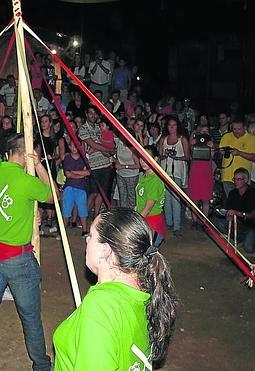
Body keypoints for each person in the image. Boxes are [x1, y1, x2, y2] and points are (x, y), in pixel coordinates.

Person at [0, 133, 53, 371]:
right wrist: (39, 165)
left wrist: (29, 216)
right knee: (31, 317)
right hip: (16, 258)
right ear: (25, 155)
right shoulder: (25, 180)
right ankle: (42, 366)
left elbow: (12, 206)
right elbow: (52, 196)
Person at [53, 208, 177, 370]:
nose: (86, 240)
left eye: (91, 236)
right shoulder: (144, 291)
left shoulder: (100, 308)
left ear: (105, 250)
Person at [212, 167, 255, 253]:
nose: (235, 181)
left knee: (249, 249)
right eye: (234, 179)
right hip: (238, 224)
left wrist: (239, 213)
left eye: (239, 179)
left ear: (246, 180)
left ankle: (254, 238)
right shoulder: (232, 193)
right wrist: (227, 214)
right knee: (217, 223)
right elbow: (229, 209)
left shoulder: (254, 193)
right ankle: (240, 239)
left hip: (252, 225)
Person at [136, 145, 167, 246]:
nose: (143, 161)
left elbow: (148, 207)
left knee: (147, 256)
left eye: (147, 158)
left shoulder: (155, 180)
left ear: (155, 159)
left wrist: (134, 221)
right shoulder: (146, 176)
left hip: (152, 223)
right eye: (141, 157)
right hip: (145, 221)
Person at [61, 142, 90, 235]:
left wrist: (75, 173)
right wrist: (81, 174)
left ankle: (85, 230)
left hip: (81, 187)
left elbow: (88, 172)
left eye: (76, 146)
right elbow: (68, 174)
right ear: (69, 146)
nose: (74, 148)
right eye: (72, 146)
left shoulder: (84, 158)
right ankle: (62, 231)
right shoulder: (67, 158)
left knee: (82, 209)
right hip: (69, 187)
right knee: (66, 210)